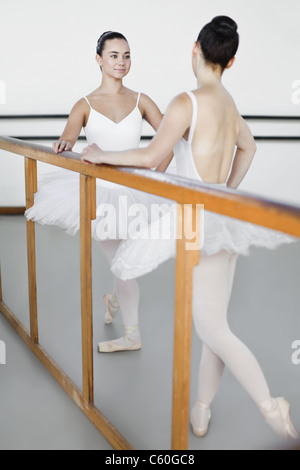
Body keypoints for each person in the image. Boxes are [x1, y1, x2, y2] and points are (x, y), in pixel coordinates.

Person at [81, 17, 299, 441]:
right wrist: (226, 192)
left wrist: (100, 154)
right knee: (212, 319)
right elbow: (249, 146)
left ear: (195, 47)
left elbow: (150, 159)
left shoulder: (187, 101)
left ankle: (271, 406)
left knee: (212, 327)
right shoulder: (229, 101)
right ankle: (201, 406)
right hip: (223, 213)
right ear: (231, 60)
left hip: (202, 219)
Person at [25, 31, 173, 353]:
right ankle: (132, 334)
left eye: (127, 55)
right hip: (102, 195)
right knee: (123, 263)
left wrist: (152, 184)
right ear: (99, 59)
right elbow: (67, 138)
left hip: (138, 194)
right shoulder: (85, 104)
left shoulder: (142, 101)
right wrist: (64, 144)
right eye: (114, 55)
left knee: (128, 263)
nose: (121, 62)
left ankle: (113, 301)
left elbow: (168, 147)